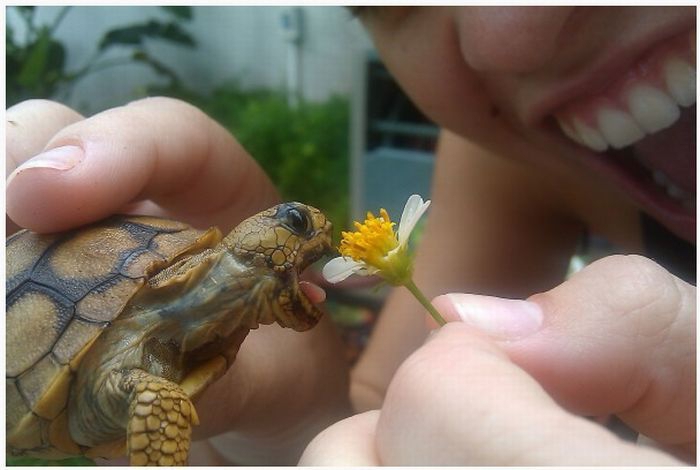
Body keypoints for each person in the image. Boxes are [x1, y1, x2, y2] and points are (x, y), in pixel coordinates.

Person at [6, 6, 695, 466]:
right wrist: (291, 425)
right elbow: (377, 419)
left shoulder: (523, 147)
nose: (505, 33)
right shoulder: (511, 168)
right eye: (390, 2)